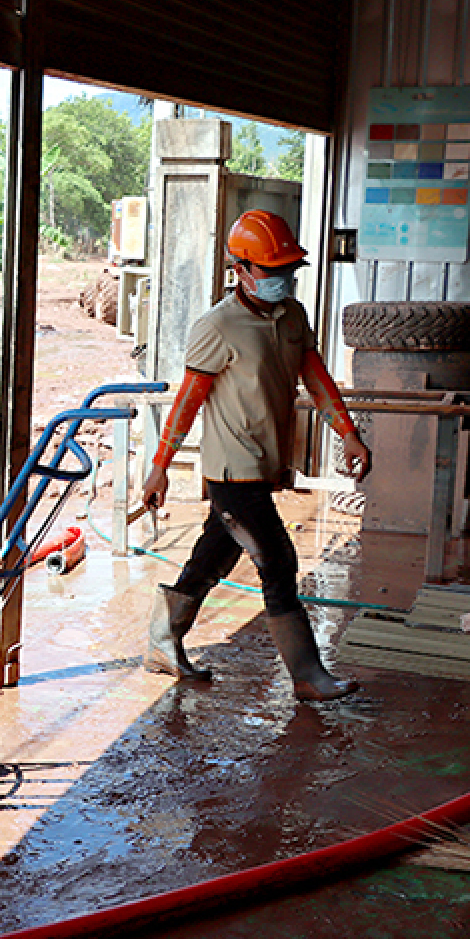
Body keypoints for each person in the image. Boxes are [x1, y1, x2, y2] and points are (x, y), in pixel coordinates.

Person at [140, 209, 371, 701]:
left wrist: (348, 433)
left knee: (213, 554)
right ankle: (308, 676)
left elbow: (317, 377)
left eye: (288, 269)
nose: (282, 279)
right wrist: (160, 467)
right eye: (272, 270)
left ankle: (163, 640)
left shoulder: (293, 316)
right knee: (277, 560)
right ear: (241, 269)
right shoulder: (218, 326)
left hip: (265, 466)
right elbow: (187, 401)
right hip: (231, 470)